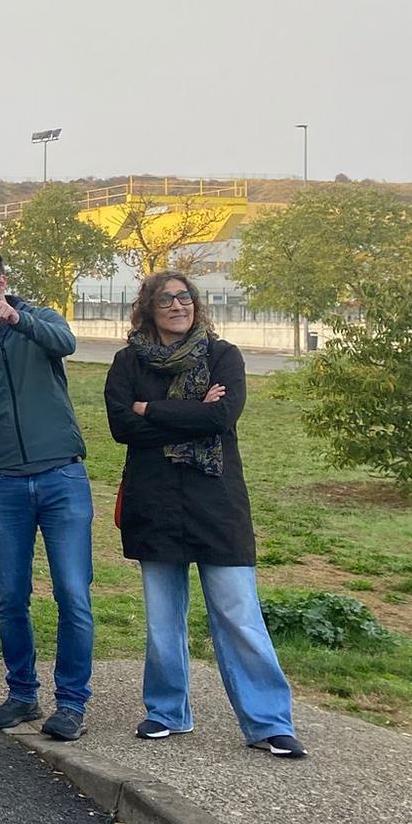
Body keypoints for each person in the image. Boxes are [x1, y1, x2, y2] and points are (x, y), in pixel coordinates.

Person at [104, 272, 305, 758]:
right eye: (166, 299)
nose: (178, 305)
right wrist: (188, 411)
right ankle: (166, 711)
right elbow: (120, 426)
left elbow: (220, 419)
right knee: (162, 620)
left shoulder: (223, 356)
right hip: (155, 504)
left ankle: (269, 722)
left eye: (185, 296)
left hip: (217, 504)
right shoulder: (128, 361)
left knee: (239, 615)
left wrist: (150, 408)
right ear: (148, 308)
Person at [0, 247, 94, 742]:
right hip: (2, 482)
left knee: (73, 593)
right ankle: (22, 693)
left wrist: (21, 321)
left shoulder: (40, 318)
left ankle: (72, 703)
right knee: (10, 596)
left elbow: (66, 342)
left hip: (61, 476)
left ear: (0, 283)